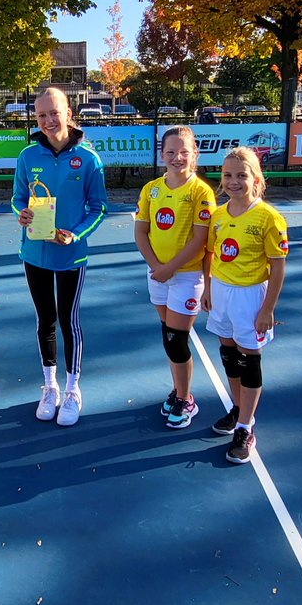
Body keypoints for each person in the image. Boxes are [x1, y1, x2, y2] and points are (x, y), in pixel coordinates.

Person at [12, 87, 107, 426]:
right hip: (34, 252)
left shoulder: (89, 158)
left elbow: (99, 209)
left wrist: (75, 233)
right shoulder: (27, 156)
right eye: (42, 115)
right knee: (45, 321)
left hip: (71, 256)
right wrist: (21, 213)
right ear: (36, 119)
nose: (49, 120)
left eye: (55, 112)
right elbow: (17, 198)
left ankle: (72, 389)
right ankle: (49, 386)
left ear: (69, 113)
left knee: (69, 321)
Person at [202, 147, 289, 464]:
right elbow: (210, 254)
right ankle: (238, 409)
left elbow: (277, 267)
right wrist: (208, 288)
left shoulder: (269, 217)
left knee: (249, 357)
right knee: (228, 352)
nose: (234, 181)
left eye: (242, 175)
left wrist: (267, 309)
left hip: (251, 296)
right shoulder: (219, 215)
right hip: (222, 293)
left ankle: (245, 427)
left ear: (256, 178)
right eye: (228, 175)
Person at [134, 126, 214, 428]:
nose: (177, 157)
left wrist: (170, 268)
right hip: (157, 273)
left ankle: (186, 399)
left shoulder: (201, 192)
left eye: (184, 152)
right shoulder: (151, 189)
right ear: (162, 154)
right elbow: (141, 231)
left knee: (176, 339)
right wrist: (156, 265)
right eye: (171, 152)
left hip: (187, 276)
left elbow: (199, 240)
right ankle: (179, 389)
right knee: (168, 336)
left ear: (195, 154)